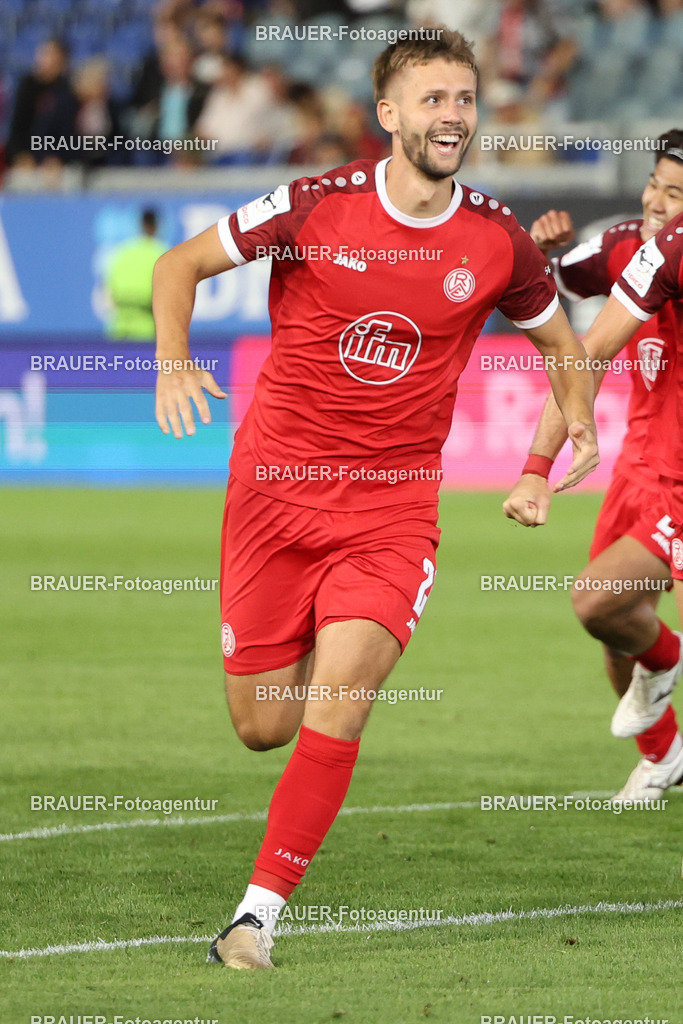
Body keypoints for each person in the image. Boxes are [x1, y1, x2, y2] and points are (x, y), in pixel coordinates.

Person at [152, 29, 598, 970]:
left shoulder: (495, 239)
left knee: (340, 703)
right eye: (433, 99)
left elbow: (563, 348)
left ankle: (254, 921)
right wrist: (173, 360)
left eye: (465, 99)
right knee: (262, 727)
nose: (454, 116)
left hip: (391, 513)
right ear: (388, 114)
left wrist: (548, 454)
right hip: (273, 494)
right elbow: (176, 267)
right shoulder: (314, 206)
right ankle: (319, 647)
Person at [521, 132, 683, 802]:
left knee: (597, 598)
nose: (653, 199)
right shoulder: (628, 246)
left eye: (673, 195)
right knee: (613, 635)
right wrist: (541, 251)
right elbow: (557, 282)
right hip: (637, 467)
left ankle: (667, 660)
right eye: (653, 183)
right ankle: (663, 754)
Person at [106, 210, 166, 340]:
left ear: (140, 225)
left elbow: (110, 290)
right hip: (147, 331)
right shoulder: (161, 253)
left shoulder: (123, 253)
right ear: (157, 226)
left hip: (119, 329)